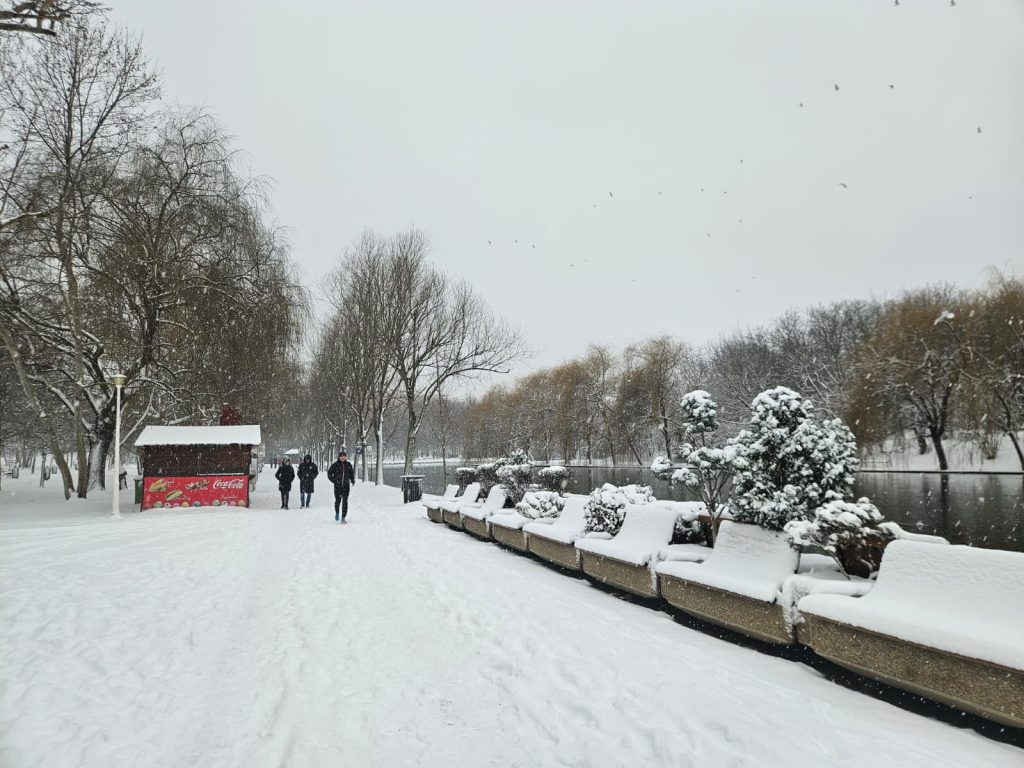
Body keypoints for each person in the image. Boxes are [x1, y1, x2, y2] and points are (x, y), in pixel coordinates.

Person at [326, 451, 356, 523]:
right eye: (341, 456)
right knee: (338, 501)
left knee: (345, 502)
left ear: (346, 457)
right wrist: (334, 481)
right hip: (337, 487)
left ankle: (343, 518)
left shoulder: (348, 465)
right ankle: (337, 512)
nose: (343, 457)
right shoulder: (335, 465)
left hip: (346, 486)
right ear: (339, 457)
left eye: (344, 456)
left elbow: (351, 474)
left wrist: (352, 480)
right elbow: (329, 474)